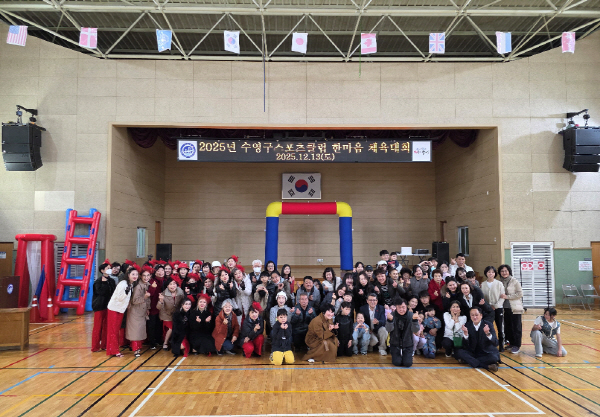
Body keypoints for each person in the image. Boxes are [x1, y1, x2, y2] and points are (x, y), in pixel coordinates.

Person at [455, 306, 500, 372]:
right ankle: (486, 366)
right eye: (472, 315)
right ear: (470, 316)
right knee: (459, 352)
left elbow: (496, 343)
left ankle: (468, 361)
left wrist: (488, 333)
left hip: (486, 352)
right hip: (473, 352)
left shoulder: (488, 325)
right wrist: (466, 335)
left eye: (476, 315)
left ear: (481, 315)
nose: (474, 317)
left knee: (494, 358)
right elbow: (465, 345)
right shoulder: (467, 325)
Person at [106, 266, 138, 357]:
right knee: (113, 330)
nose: (135, 276)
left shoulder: (130, 284)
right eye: (133, 274)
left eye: (136, 274)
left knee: (116, 330)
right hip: (114, 309)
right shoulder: (123, 284)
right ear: (128, 275)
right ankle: (113, 351)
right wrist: (126, 292)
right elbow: (120, 298)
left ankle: (113, 350)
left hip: (120, 309)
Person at [91, 260, 117, 352]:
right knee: (98, 327)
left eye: (110, 268)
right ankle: (95, 346)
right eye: (107, 268)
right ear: (102, 270)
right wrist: (104, 283)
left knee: (107, 326)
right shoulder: (98, 281)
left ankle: (104, 345)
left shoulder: (112, 281)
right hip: (99, 306)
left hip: (109, 306)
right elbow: (100, 292)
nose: (110, 270)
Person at [386, 297, 419, 367]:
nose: (401, 310)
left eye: (403, 307)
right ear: (396, 307)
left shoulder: (411, 315)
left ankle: (404, 356)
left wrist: (415, 321)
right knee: (397, 363)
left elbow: (415, 330)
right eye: (399, 307)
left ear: (407, 306)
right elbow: (388, 329)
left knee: (407, 364)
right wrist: (389, 321)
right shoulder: (392, 315)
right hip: (395, 344)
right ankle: (397, 356)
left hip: (407, 344)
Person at [126, 267, 151, 357]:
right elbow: (134, 300)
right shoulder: (138, 286)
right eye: (144, 275)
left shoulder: (147, 284)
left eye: (148, 275)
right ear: (141, 276)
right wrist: (144, 297)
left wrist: (147, 308)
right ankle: (135, 350)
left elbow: (148, 300)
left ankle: (137, 347)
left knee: (139, 331)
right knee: (135, 332)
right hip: (135, 312)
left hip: (142, 311)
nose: (146, 277)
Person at [498, 264, 524, 354]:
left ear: (509, 271)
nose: (504, 272)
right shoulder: (499, 282)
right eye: (502, 271)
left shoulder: (514, 281)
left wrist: (507, 297)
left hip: (514, 307)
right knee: (508, 327)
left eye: (506, 271)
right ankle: (511, 343)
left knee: (516, 327)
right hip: (504, 308)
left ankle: (517, 345)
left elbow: (520, 294)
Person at [481, 266, 506, 351]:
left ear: (495, 273)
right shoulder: (483, 284)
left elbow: (502, 297)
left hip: (498, 308)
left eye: (492, 272)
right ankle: (490, 344)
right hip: (487, 309)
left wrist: (495, 306)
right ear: (486, 273)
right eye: (489, 272)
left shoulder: (499, 284)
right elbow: (482, 298)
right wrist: (488, 306)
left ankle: (501, 345)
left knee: (500, 327)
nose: (490, 274)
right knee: (488, 327)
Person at [157, 280, 185, 350]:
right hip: (166, 314)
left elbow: (183, 302)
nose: (172, 286)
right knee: (171, 327)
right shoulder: (163, 294)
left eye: (174, 284)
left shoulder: (181, 292)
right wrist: (161, 301)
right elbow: (158, 307)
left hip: (176, 314)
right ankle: (165, 343)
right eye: (170, 284)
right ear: (167, 286)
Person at [147, 265, 165, 349]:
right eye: (158, 271)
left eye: (162, 270)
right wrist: (152, 288)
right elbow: (149, 294)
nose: (160, 272)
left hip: (161, 307)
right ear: (155, 272)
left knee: (159, 325)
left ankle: (158, 340)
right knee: (152, 325)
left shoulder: (165, 281)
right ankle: (152, 342)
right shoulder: (151, 281)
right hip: (152, 307)